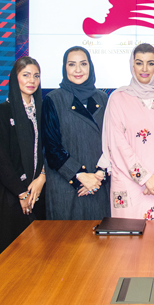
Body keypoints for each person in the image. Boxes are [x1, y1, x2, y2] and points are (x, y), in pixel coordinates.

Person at [102, 44, 154, 220]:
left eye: (150, 63)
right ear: (132, 65)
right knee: (128, 244)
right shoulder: (118, 98)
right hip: (129, 183)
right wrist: (145, 178)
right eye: (139, 63)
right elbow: (117, 144)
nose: (145, 69)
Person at [41, 46, 110, 220]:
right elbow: (51, 147)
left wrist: (98, 176)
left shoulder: (103, 99)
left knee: (101, 244)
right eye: (72, 64)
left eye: (83, 64)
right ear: (65, 68)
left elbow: (113, 142)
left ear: (90, 67)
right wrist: (79, 175)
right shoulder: (53, 99)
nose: (78, 70)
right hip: (66, 187)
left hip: (98, 185)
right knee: (67, 244)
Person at [0, 56, 46, 257]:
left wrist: (42, 177)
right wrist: (21, 193)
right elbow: (1, 157)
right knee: (14, 257)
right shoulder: (4, 111)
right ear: (15, 78)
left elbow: (47, 149)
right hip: (11, 196)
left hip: (39, 194)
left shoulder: (42, 109)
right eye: (26, 75)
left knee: (40, 255)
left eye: (36, 76)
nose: (31, 80)